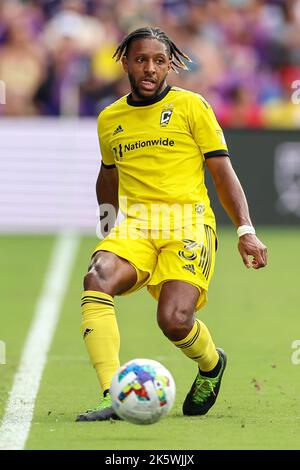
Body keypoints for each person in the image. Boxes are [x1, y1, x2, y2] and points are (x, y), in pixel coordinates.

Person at [76, 27, 267, 422]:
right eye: (141, 59)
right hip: (137, 227)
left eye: (159, 61)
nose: (150, 68)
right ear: (125, 63)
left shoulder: (192, 107)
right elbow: (107, 173)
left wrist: (245, 230)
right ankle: (113, 394)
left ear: (170, 65)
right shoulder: (110, 118)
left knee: (174, 321)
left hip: (188, 224)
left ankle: (211, 364)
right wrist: (109, 222)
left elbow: (222, 173)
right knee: (97, 277)